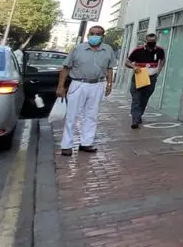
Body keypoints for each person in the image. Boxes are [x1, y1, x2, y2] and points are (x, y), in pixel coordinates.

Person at [55, 25, 115, 156]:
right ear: (88, 35)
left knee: (91, 115)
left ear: (103, 36)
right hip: (78, 84)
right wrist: (61, 86)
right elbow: (65, 68)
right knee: (72, 115)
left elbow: (110, 68)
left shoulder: (108, 49)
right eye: (92, 33)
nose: (95, 36)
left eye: (98, 34)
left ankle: (86, 143)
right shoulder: (78, 48)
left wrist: (109, 84)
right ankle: (66, 145)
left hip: (97, 84)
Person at [125, 33, 166, 129]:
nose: (151, 43)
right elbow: (127, 62)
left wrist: (158, 71)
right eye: (149, 42)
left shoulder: (159, 50)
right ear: (145, 41)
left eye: (153, 42)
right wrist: (134, 67)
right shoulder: (137, 51)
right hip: (139, 77)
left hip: (151, 77)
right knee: (136, 98)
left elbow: (163, 60)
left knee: (145, 98)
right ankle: (135, 119)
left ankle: (139, 115)